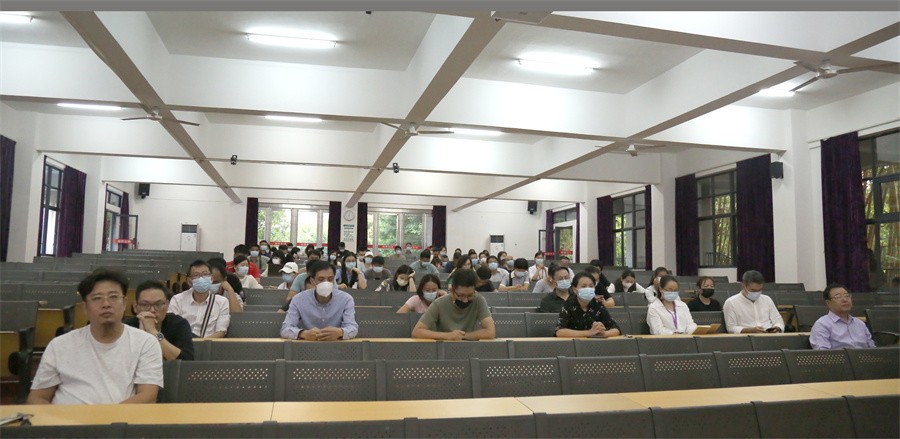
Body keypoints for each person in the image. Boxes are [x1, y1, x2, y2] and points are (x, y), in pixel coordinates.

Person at [27, 269, 163, 404]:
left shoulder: (145, 343)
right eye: (97, 298)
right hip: (67, 416)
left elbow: (148, 395)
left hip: (120, 417)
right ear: (85, 307)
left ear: (124, 303)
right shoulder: (59, 345)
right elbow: (37, 397)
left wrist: (104, 416)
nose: (106, 304)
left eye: (113, 297)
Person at [280, 260, 359, 341]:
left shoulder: (346, 299)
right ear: (312, 281)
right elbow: (285, 329)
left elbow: (352, 327)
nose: (326, 283)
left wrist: (340, 332)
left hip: (337, 344)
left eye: (330, 279)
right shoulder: (298, 300)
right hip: (307, 344)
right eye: (321, 279)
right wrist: (303, 334)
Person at [411, 269, 496, 340]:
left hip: (469, 347)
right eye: (460, 295)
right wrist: (448, 336)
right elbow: (417, 331)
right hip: (443, 348)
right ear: (452, 290)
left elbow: (490, 332)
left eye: (470, 295)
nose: (465, 300)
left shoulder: (478, 300)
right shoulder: (439, 304)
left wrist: (463, 336)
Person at [125, 280, 195, 361]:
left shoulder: (179, 324)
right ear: (135, 306)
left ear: (167, 305)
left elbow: (186, 361)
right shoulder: (127, 327)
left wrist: (153, 331)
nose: (152, 310)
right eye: (145, 305)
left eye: (158, 304)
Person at [169, 260, 231, 338]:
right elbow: (172, 327)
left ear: (211, 278)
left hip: (208, 343)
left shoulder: (222, 302)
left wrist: (201, 343)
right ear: (189, 281)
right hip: (182, 343)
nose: (201, 278)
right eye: (196, 275)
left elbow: (221, 332)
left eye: (205, 274)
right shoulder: (177, 300)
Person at [555, 272, 621, 338]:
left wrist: (603, 333)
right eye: (583, 286)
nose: (588, 289)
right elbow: (559, 331)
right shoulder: (569, 304)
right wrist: (589, 333)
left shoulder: (598, 304)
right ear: (575, 290)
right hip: (573, 342)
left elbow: (616, 329)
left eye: (591, 286)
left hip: (595, 342)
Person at [809, 284, 875, 349]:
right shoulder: (822, 325)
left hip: (864, 356)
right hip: (839, 356)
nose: (845, 300)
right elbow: (824, 353)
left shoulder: (860, 324)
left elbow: (872, 349)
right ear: (828, 303)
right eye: (838, 297)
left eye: (847, 296)